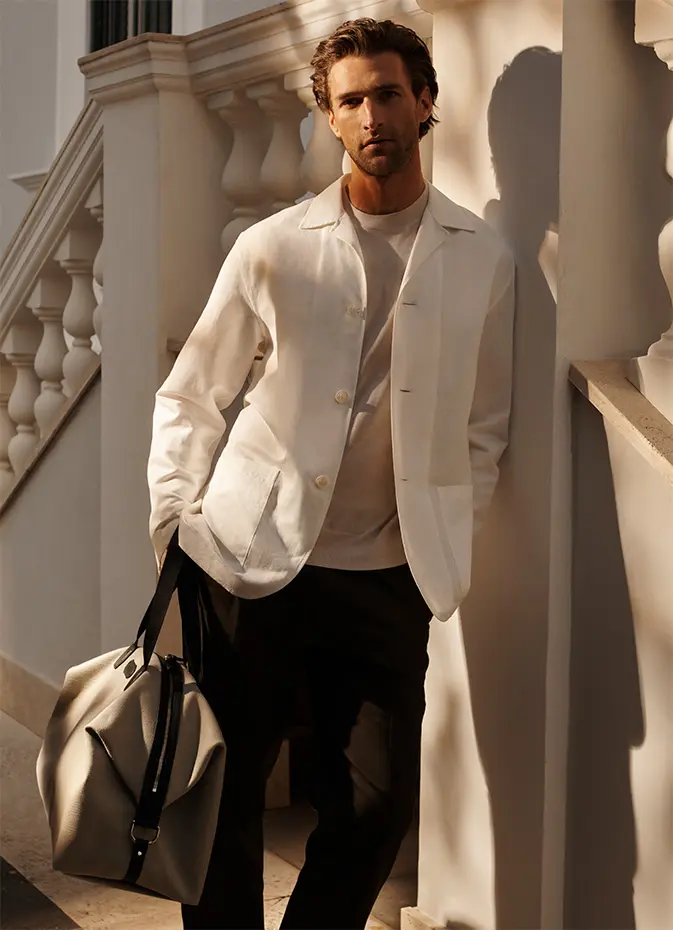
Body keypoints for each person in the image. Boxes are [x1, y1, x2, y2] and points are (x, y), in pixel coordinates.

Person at [147, 16, 515, 930]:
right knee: (222, 805)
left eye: (387, 93)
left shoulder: (484, 258)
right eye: (349, 101)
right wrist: (173, 522)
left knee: (376, 807)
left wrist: (443, 531)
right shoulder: (273, 244)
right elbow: (194, 392)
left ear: (424, 102)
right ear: (328, 118)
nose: (371, 116)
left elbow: (484, 426)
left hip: (387, 579)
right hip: (244, 564)